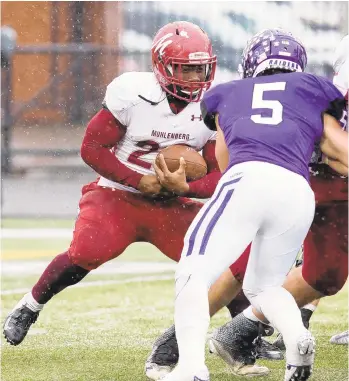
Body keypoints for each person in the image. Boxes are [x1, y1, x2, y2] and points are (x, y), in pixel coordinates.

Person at [3, 20, 237, 347]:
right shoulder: (134, 94)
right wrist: (140, 181)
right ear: (163, 66)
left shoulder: (213, 105)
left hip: (170, 203)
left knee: (220, 263)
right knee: (85, 252)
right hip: (118, 195)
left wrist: (185, 189)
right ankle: (30, 305)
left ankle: (243, 335)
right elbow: (92, 149)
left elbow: (220, 175)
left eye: (201, 69)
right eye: (187, 70)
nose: (197, 79)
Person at [145, 32, 349, 380]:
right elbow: (341, 151)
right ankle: (296, 338)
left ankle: (191, 367)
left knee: (194, 269)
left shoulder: (228, 92)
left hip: (254, 179)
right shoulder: (313, 89)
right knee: (265, 285)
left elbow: (227, 164)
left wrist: (191, 185)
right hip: (299, 188)